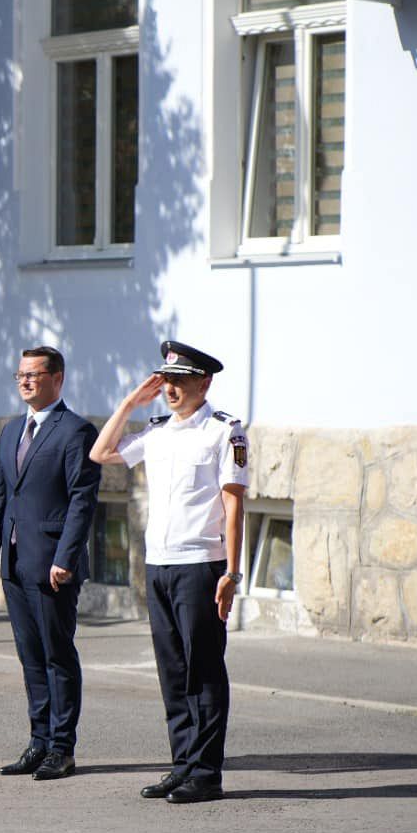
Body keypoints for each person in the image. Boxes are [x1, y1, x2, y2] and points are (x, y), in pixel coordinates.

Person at [90, 340, 248, 804]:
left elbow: (234, 503)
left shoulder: (225, 431)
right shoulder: (156, 431)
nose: (171, 390)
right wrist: (128, 403)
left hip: (201, 564)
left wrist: (233, 573)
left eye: (180, 381)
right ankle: (183, 764)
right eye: (166, 381)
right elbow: (102, 453)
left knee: (203, 670)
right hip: (158, 563)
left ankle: (207, 772)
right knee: (172, 671)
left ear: (205, 382)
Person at [0, 346, 102, 781]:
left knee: (57, 656)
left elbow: (82, 502)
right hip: (14, 563)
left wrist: (66, 557)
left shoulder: (76, 432)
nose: (25, 381)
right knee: (31, 658)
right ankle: (39, 740)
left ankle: (62, 747)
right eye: (20, 375)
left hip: (52, 566)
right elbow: (0, 495)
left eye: (34, 374)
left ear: (57, 378)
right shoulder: (12, 431)